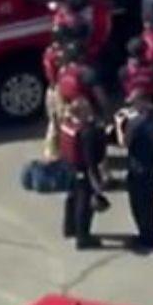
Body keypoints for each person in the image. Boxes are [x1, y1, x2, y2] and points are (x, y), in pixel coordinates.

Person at [59, 98, 108, 250]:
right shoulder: (86, 132)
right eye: (87, 109)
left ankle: (70, 228)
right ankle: (83, 237)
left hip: (68, 167)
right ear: (83, 112)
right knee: (84, 205)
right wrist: (97, 184)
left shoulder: (67, 125)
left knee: (71, 199)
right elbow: (90, 160)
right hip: (82, 171)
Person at [122, 92, 153, 250]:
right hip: (152, 165)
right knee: (150, 202)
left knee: (138, 204)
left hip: (137, 166)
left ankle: (144, 236)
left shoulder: (135, 123)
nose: (132, 106)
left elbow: (126, 143)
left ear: (142, 102)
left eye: (134, 103)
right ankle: (151, 233)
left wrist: (121, 126)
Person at [57, 42, 109, 116]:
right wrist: (108, 115)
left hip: (69, 112)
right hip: (87, 112)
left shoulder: (61, 72)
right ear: (81, 56)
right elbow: (101, 97)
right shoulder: (86, 72)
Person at [42, 36, 69, 161]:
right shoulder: (60, 55)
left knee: (53, 123)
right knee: (64, 122)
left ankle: (51, 152)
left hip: (51, 89)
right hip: (60, 90)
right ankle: (64, 153)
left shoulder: (48, 52)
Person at [119, 36, 153, 102]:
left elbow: (126, 92)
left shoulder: (124, 70)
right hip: (151, 103)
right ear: (145, 51)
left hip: (135, 103)